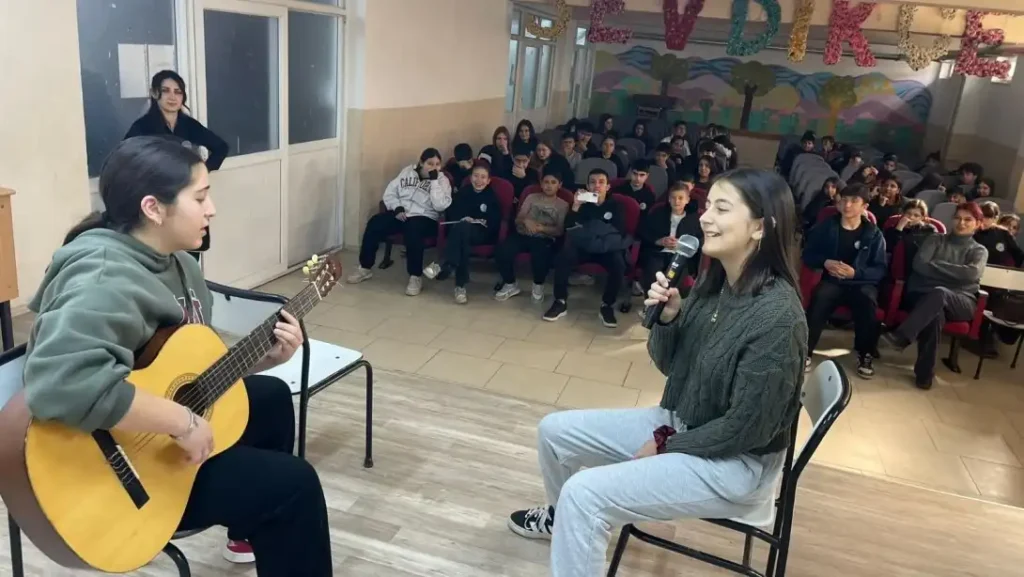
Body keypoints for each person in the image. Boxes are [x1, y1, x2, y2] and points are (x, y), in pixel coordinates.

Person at [23, 136, 331, 576]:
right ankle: (267, 511)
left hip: (152, 435)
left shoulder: (178, 262)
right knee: (294, 486)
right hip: (117, 476)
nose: (212, 210)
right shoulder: (103, 278)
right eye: (200, 198)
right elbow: (61, 385)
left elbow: (184, 365)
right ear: (153, 208)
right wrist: (182, 422)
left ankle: (250, 529)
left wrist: (265, 358)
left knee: (271, 396)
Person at [507, 169, 805, 577]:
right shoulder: (716, 283)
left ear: (760, 227)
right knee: (553, 432)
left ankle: (576, 518)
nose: (704, 218)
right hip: (683, 422)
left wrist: (667, 445)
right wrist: (668, 319)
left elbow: (746, 429)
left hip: (736, 464)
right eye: (706, 207)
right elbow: (670, 366)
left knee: (584, 494)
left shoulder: (777, 318)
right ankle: (565, 523)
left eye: (721, 209)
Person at [881, 202, 988, 389]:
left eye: (968, 220)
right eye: (958, 218)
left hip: (961, 301)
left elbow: (971, 273)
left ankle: (903, 335)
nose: (961, 223)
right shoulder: (935, 239)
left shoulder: (979, 250)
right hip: (924, 296)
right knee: (935, 314)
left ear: (978, 224)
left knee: (940, 292)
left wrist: (936, 266)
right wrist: (956, 274)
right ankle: (925, 375)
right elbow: (920, 265)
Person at [125, 70, 229, 262]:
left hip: (188, 193)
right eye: (166, 91)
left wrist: (201, 171)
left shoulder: (188, 125)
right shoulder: (143, 126)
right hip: (159, 196)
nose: (172, 97)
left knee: (190, 248)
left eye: (178, 92)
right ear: (155, 93)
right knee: (161, 251)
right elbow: (125, 158)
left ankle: (188, 279)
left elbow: (221, 147)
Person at [802, 183, 887, 378]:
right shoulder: (826, 227)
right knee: (820, 296)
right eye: (844, 200)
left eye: (854, 201)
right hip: (833, 282)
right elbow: (808, 255)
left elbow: (880, 269)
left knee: (867, 301)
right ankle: (805, 350)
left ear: (865, 206)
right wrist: (825, 262)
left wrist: (855, 273)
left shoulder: (874, 234)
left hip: (860, 284)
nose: (847, 205)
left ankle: (865, 354)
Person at [347, 148, 452, 296]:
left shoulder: (442, 180)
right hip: (402, 213)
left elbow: (440, 205)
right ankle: (365, 267)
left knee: (413, 229)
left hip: (425, 217)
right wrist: (396, 207)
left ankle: (415, 276)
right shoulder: (407, 172)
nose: (434, 167)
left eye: (437, 164)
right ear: (421, 163)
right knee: (375, 223)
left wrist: (434, 181)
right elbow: (390, 193)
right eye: (430, 163)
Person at [544, 169, 629, 328]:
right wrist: (576, 206)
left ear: (608, 187)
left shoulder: (617, 205)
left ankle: (607, 305)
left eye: (601, 182)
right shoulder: (582, 204)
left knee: (619, 264)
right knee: (562, 258)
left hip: (606, 248)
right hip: (583, 247)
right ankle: (560, 301)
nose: (597, 185)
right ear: (588, 186)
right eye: (592, 182)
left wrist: (587, 229)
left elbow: (618, 231)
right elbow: (569, 227)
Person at [423, 162, 501, 303]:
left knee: (462, 231)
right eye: (476, 176)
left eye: (483, 177)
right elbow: (453, 212)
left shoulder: (492, 196)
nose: (479, 180)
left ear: (489, 180)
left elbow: (494, 221)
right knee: (462, 237)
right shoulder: (463, 192)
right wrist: (463, 218)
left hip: (481, 234)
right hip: (462, 231)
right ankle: (459, 285)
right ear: (470, 177)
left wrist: (476, 220)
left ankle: (444, 263)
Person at [495, 165, 570, 303]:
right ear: (541, 183)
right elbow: (518, 219)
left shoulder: (563, 205)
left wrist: (541, 228)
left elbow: (559, 230)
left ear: (559, 185)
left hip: (544, 238)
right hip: (523, 234)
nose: (549, 186)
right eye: (546, 182)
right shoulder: (531, 197)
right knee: (502, 250)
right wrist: (526, 221)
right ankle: (510, 283)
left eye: (553, 183)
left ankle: (538, 285)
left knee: (540, 253)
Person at [638, 182, 702, 298]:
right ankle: (651, 302)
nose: (676, 201)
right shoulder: (658, 213)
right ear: (668, 199)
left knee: (674, 279)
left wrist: (681, 245)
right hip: (658, 253)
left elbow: (699, 241)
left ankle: (668, 302)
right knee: (652, 274)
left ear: (687, 200)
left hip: (681, 256)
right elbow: (644, 232)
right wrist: (659, 241)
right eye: (673, 197)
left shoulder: (694, 219)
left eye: (680, 198)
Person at [883, 199, 937, 263]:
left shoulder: (929, 230)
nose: (911, 217)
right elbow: (887, 249)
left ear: (922, 218)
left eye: (916, 215)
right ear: (903, 213)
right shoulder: (892, 229)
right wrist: (899, 228)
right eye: (908, 213)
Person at [975, 201, 1024, 267]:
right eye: (981, 216)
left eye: (988, 217)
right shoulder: (972, 233)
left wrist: (1012, 270)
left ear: (995, 218)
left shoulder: (1004, 233)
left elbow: (1018, 254)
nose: (983, 220)